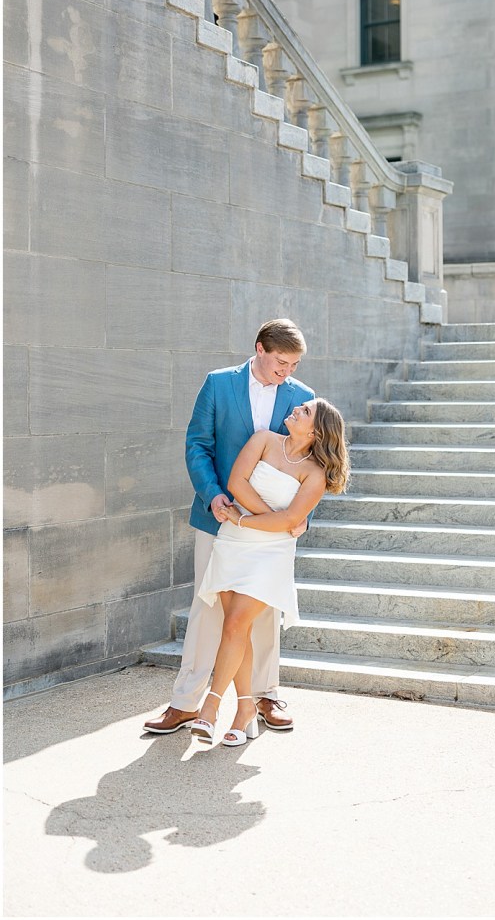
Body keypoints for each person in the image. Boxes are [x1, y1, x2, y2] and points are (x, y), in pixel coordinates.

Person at [143, 319, 314, 736]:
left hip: (272, 527)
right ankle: (185, 702)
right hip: (218, 515)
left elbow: (308, 462)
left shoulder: (303, 398)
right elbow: (197, 444)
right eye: (281, 362)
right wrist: (212, 494)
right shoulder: (218, 384)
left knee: (265, 609)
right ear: (260, 348)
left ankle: (264, 696)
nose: (287, 372)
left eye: (293, 365)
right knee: (208, 607)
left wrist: (300, 516)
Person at [190, 397, 349, 745]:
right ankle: (246, 708)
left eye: (305, 411)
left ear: (317, 430)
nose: (296, 410)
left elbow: (293, 520)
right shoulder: (263, 439)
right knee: (238, 629)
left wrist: (249, 519)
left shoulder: (315, 473)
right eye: (301, 407)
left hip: (271, 554)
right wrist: (263, 521)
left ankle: (210, 709)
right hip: (234, 542)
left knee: (234, 625)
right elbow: (237, 483)